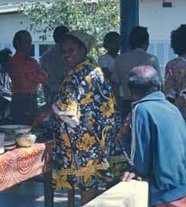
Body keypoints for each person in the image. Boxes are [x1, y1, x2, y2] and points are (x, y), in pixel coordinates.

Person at [36, 31, 125, 205]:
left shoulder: (78, 74)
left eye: (72, 49)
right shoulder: (93, 68)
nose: (66, 54)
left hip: (85, 140)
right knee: (90, 182)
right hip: (99, 135)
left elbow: (66, 110)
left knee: (86, 183)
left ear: (84, 49)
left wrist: (46, 111)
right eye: (63, 51)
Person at [122, 65, 186, 207]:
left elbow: (140, 164)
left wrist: (124, 136)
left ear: (132, 93)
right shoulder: (172, 108)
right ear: (160, 86)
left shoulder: (140, 110)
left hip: (167, 197)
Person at [112, 26, 162, 118]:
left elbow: (115, 86)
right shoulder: (152, 59)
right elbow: (159, 85)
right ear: (146, 42)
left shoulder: (120, 59)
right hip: (149, 103)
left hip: (127, 103)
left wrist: (117, 106)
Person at [8, 30, 48, 125]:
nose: (29, 44)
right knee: (19, 128)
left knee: (33, 127)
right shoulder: (12, 62)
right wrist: (35, 74)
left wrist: (30, 75)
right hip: (20, 99)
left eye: (30, 41)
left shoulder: (32, 61)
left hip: (32, 99)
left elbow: (44, 79)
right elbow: (22, 81)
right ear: (17, 43)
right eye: (26, 41)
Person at [40, 26, 70, 105]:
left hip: (52, 96)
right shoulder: (72, 55)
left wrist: (47, 99)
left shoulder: (45, 56)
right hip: (70, 95)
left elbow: (44, 82)